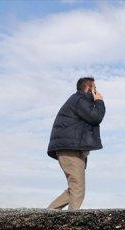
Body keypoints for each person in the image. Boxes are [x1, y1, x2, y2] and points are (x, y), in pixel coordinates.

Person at [47, 77, 106, 210]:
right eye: (95, 88)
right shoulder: (80, 100)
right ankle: (70, 227)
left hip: (71, 149)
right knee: (78, 189)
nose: (96, 91)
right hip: (70, 150)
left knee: (74, 190)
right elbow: (96, 117)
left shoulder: (79, 100)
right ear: (89, 88)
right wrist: (99, 101)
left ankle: (45, 217)